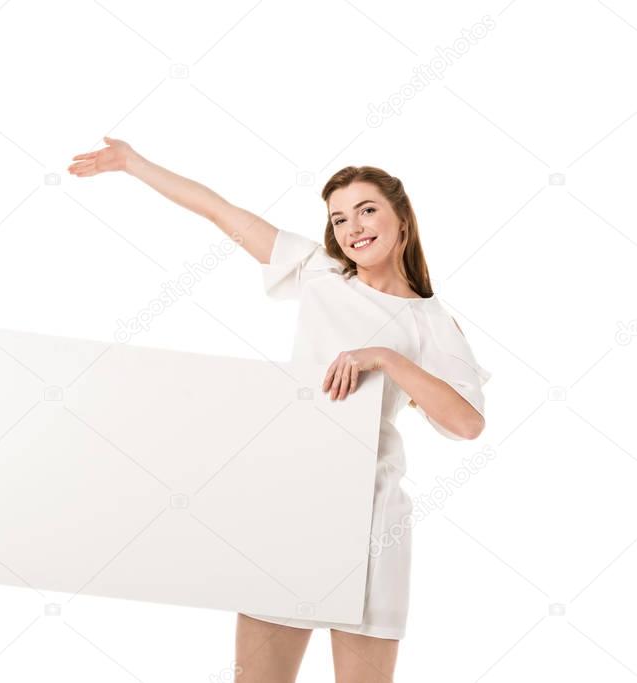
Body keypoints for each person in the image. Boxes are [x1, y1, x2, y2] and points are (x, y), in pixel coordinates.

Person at [67, 137, 491, 683]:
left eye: (367, 210)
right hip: (289, 507)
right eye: (339, 219)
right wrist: (134, 164)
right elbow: (219, 209)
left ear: (401, 219)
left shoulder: (430, 322)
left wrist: (384, 357)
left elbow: (467, 423)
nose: (353, 228)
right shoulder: (318, 273)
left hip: (372, 521)